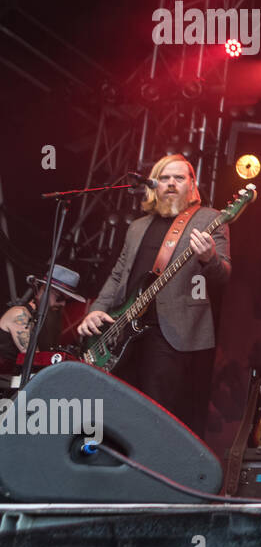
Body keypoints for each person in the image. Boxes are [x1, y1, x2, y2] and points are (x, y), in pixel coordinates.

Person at [76, 154, 230, 436]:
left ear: (192, 184)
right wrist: (96, 310)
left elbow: (223, 277)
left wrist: (209, 258)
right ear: (153, 185)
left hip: (171, 333)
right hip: (124, 330)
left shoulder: (209, 218)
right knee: (117, 412)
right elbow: (117, 275)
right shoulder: (137, 226)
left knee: (157, 418)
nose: (171, 183)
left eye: (179, 178)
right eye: (164, 178)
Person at [0, 265, 84, 373]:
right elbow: (35, 360)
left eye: (67, 301)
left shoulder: (47, 322)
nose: (63, 304)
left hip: (17, 385)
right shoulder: (19, 314)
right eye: (60, 298)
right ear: (44, 290)